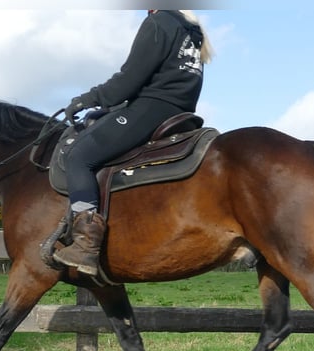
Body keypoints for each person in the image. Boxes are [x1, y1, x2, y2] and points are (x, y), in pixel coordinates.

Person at [53, 9, 213, 276]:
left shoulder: (159, 22)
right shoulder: (192, 31)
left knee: (79, 157)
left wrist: (88, 99)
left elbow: (129, 80)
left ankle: (85, 244)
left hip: (152, 108)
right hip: (180, 111)